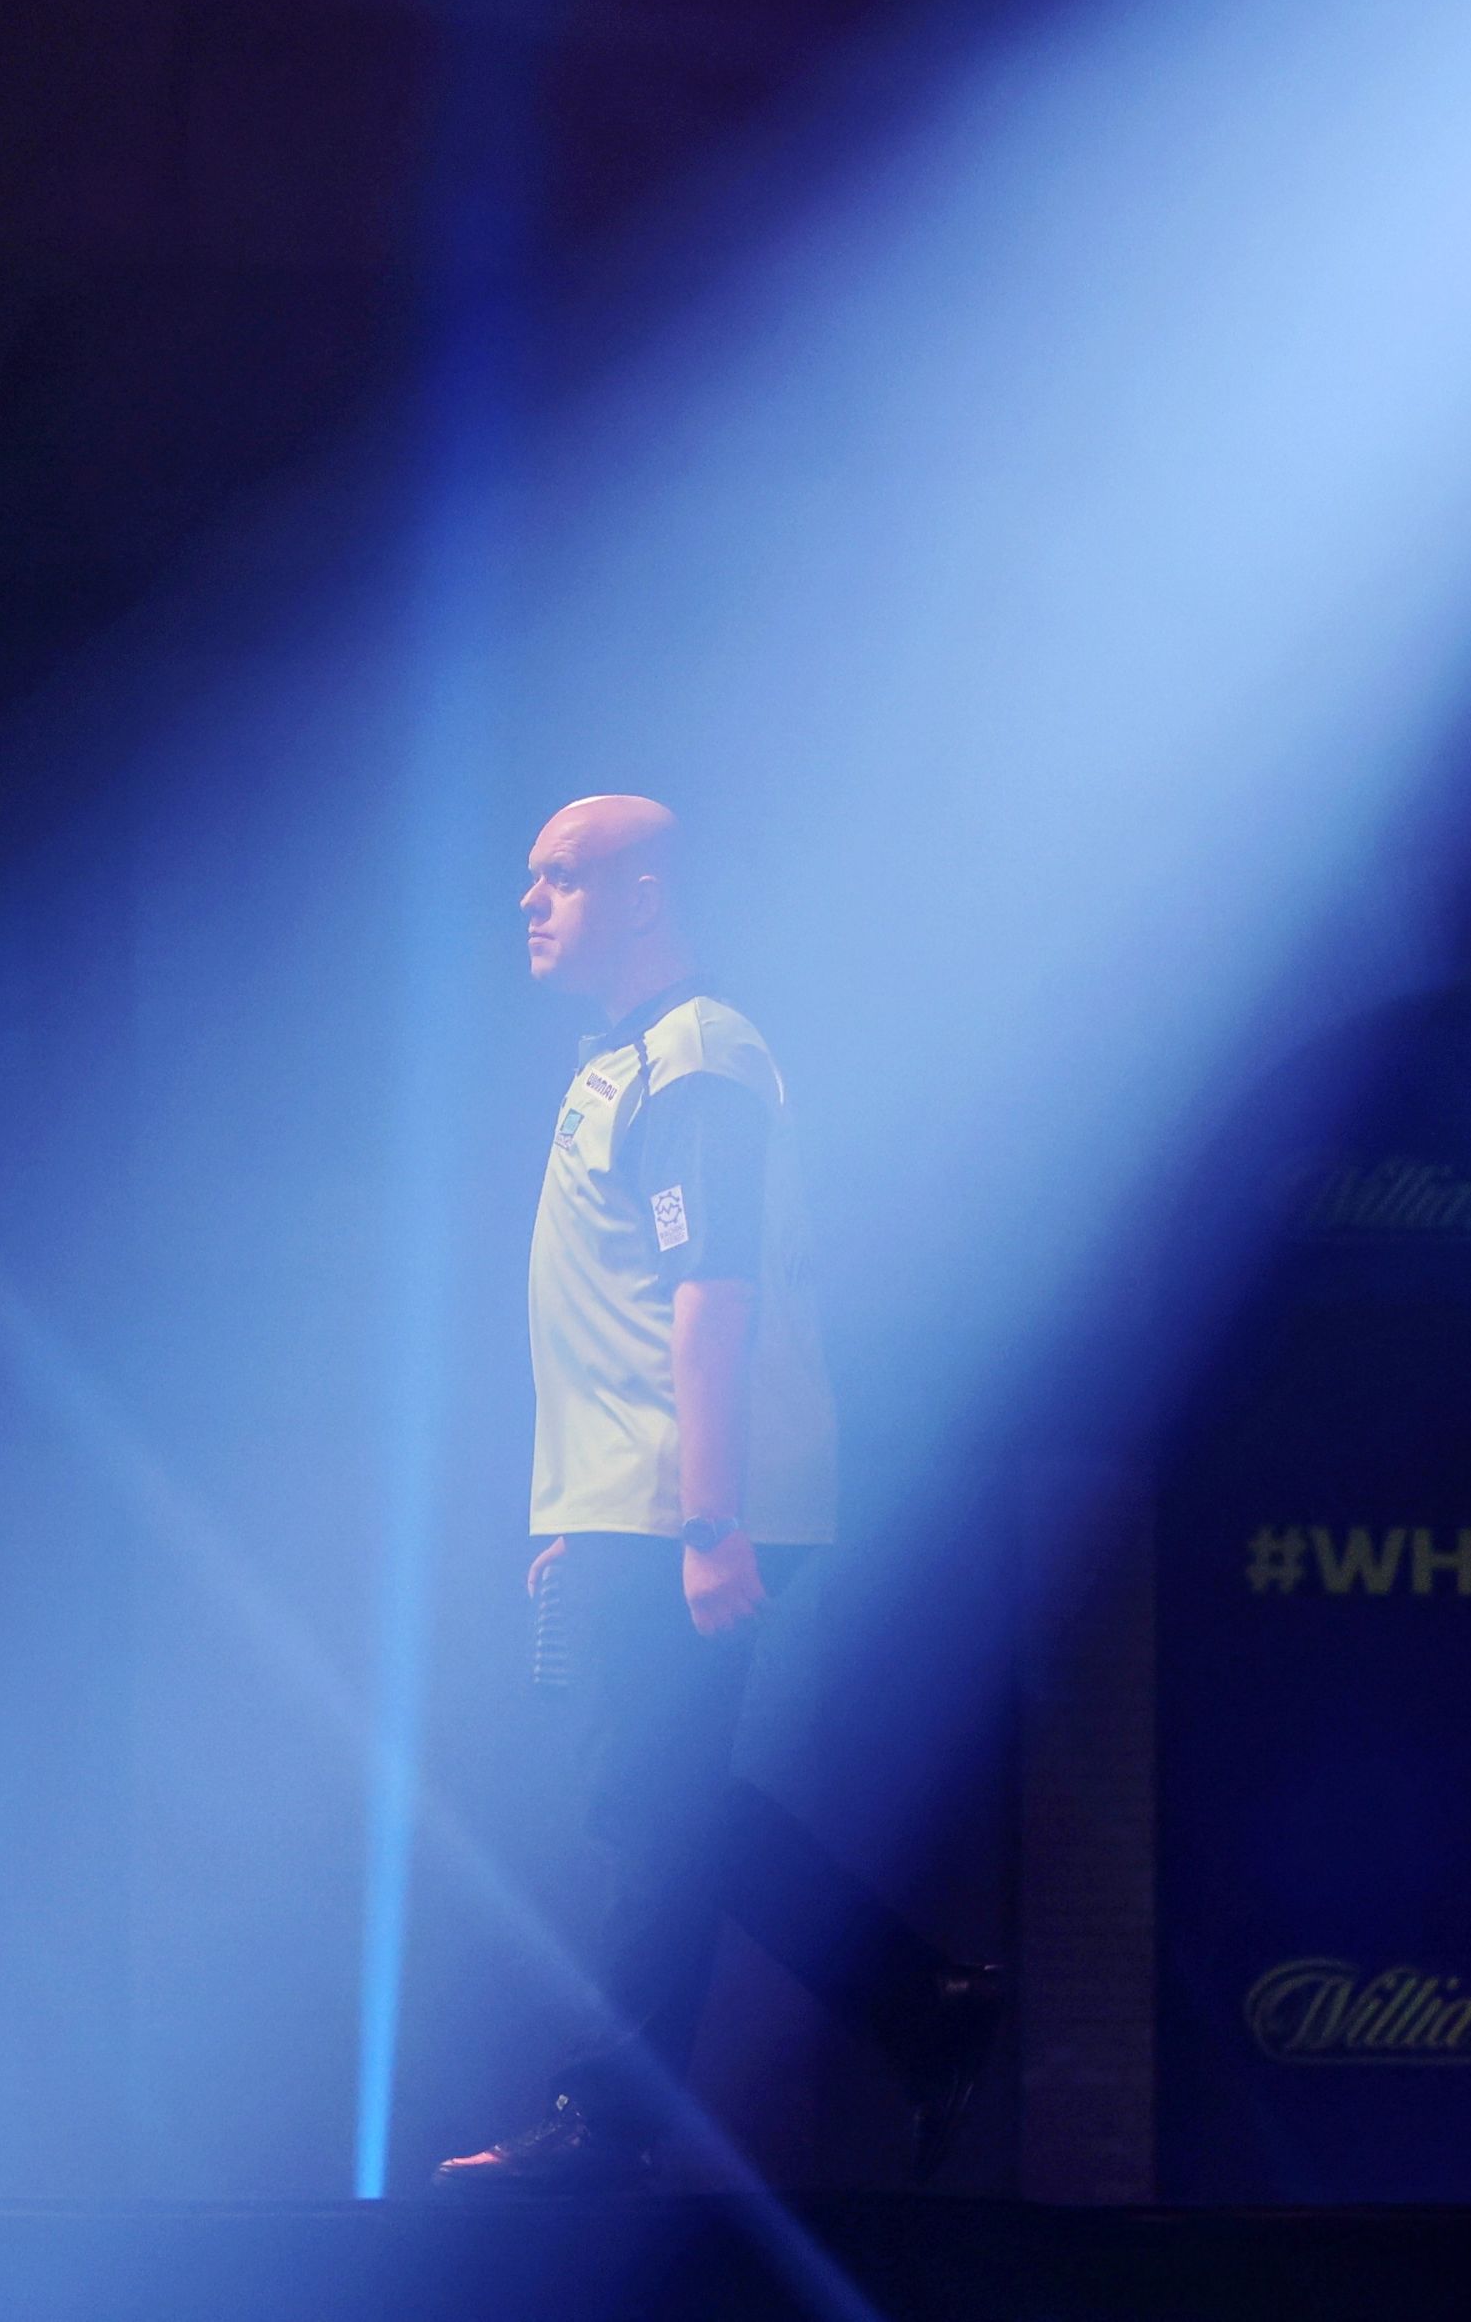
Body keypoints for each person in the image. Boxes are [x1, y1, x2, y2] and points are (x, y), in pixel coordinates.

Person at [432, 795, 1006, 2192]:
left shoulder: (694, 1057)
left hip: (689, 1501)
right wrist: (579, 1512)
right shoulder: (617, 1058)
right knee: (657, 1803)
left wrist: (705, 1519)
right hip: (629, 1501)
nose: (529, 901)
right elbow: (616, 1310)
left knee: (647, 1806)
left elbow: (713, 1293)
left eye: (560, 876)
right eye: (529, 877)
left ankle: (611, 2119)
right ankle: (921, 2003)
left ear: (641, 893)